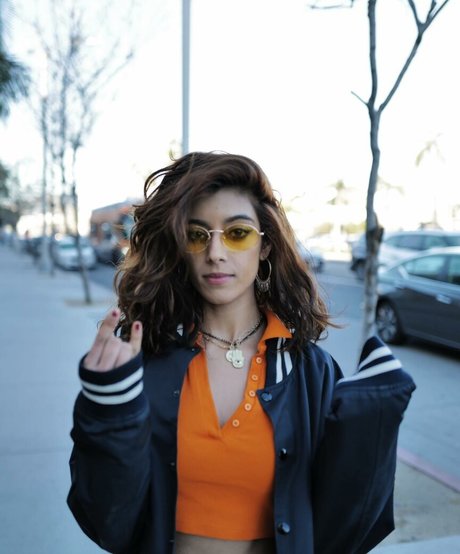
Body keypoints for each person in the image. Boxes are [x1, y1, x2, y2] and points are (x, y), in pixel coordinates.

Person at [67, 151, 415, 554]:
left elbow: (344, 526)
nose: (216, 252)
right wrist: (109, 408)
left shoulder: (308, 371)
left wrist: (374, 419)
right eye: (197, 235)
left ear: (264, 246)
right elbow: (106, 520)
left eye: (237, 233)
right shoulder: (146, 360)